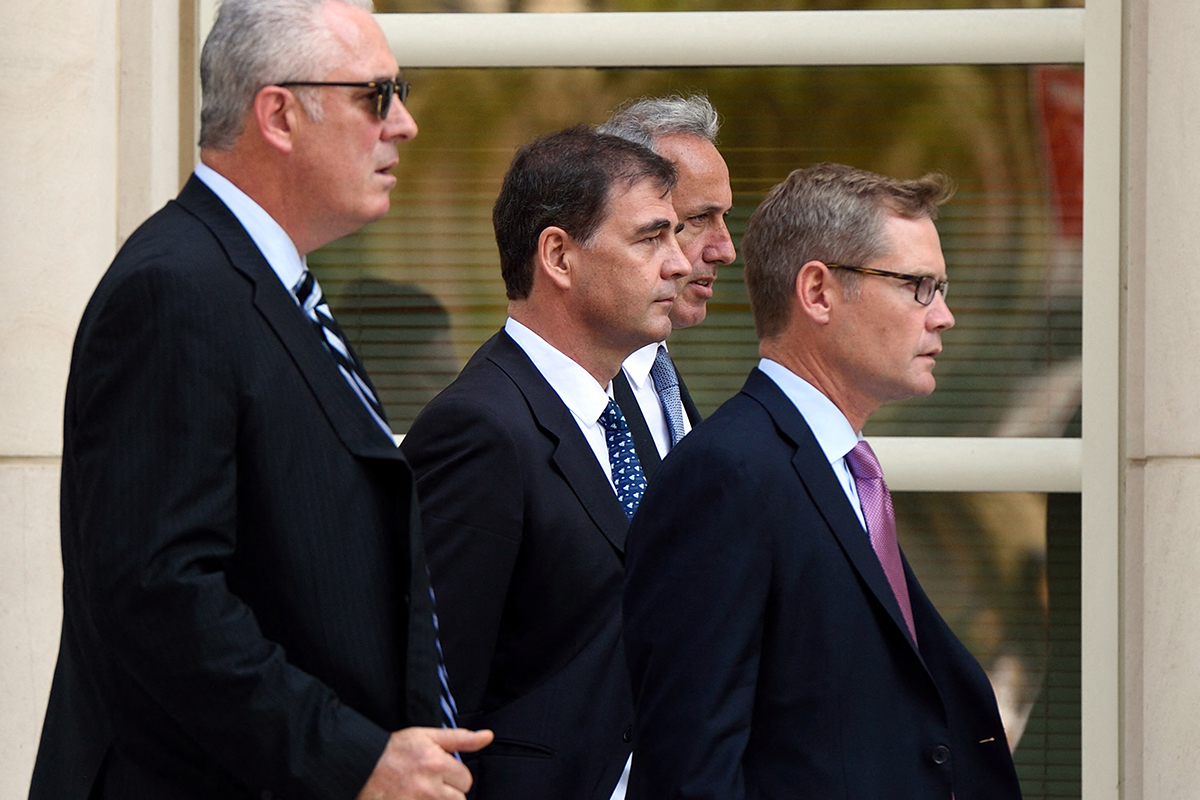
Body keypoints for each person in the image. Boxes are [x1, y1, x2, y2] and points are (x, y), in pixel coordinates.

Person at [29, 1, 491, 798]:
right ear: (278, 114)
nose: (404, 124)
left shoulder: (268, 287)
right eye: (376, 95)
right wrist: (353, 758)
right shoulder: (175, 289)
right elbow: (157, 596)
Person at [622, 163, 1024, 800]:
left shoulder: (843, 469)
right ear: (817, 292)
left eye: (941, 288)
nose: (943, 316)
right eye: (918, 286)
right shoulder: (727, 474)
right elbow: (690, 766)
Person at [400, 125, 689, 800]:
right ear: (559, 255)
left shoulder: (626, 413)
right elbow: (433, 695)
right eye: (651, 238)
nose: (679, 263)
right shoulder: (478, 429)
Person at [597, 95, 737, 473]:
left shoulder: (656, 370)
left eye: (724, 217)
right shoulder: (573, 388)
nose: (726, 251)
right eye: (699, 218)